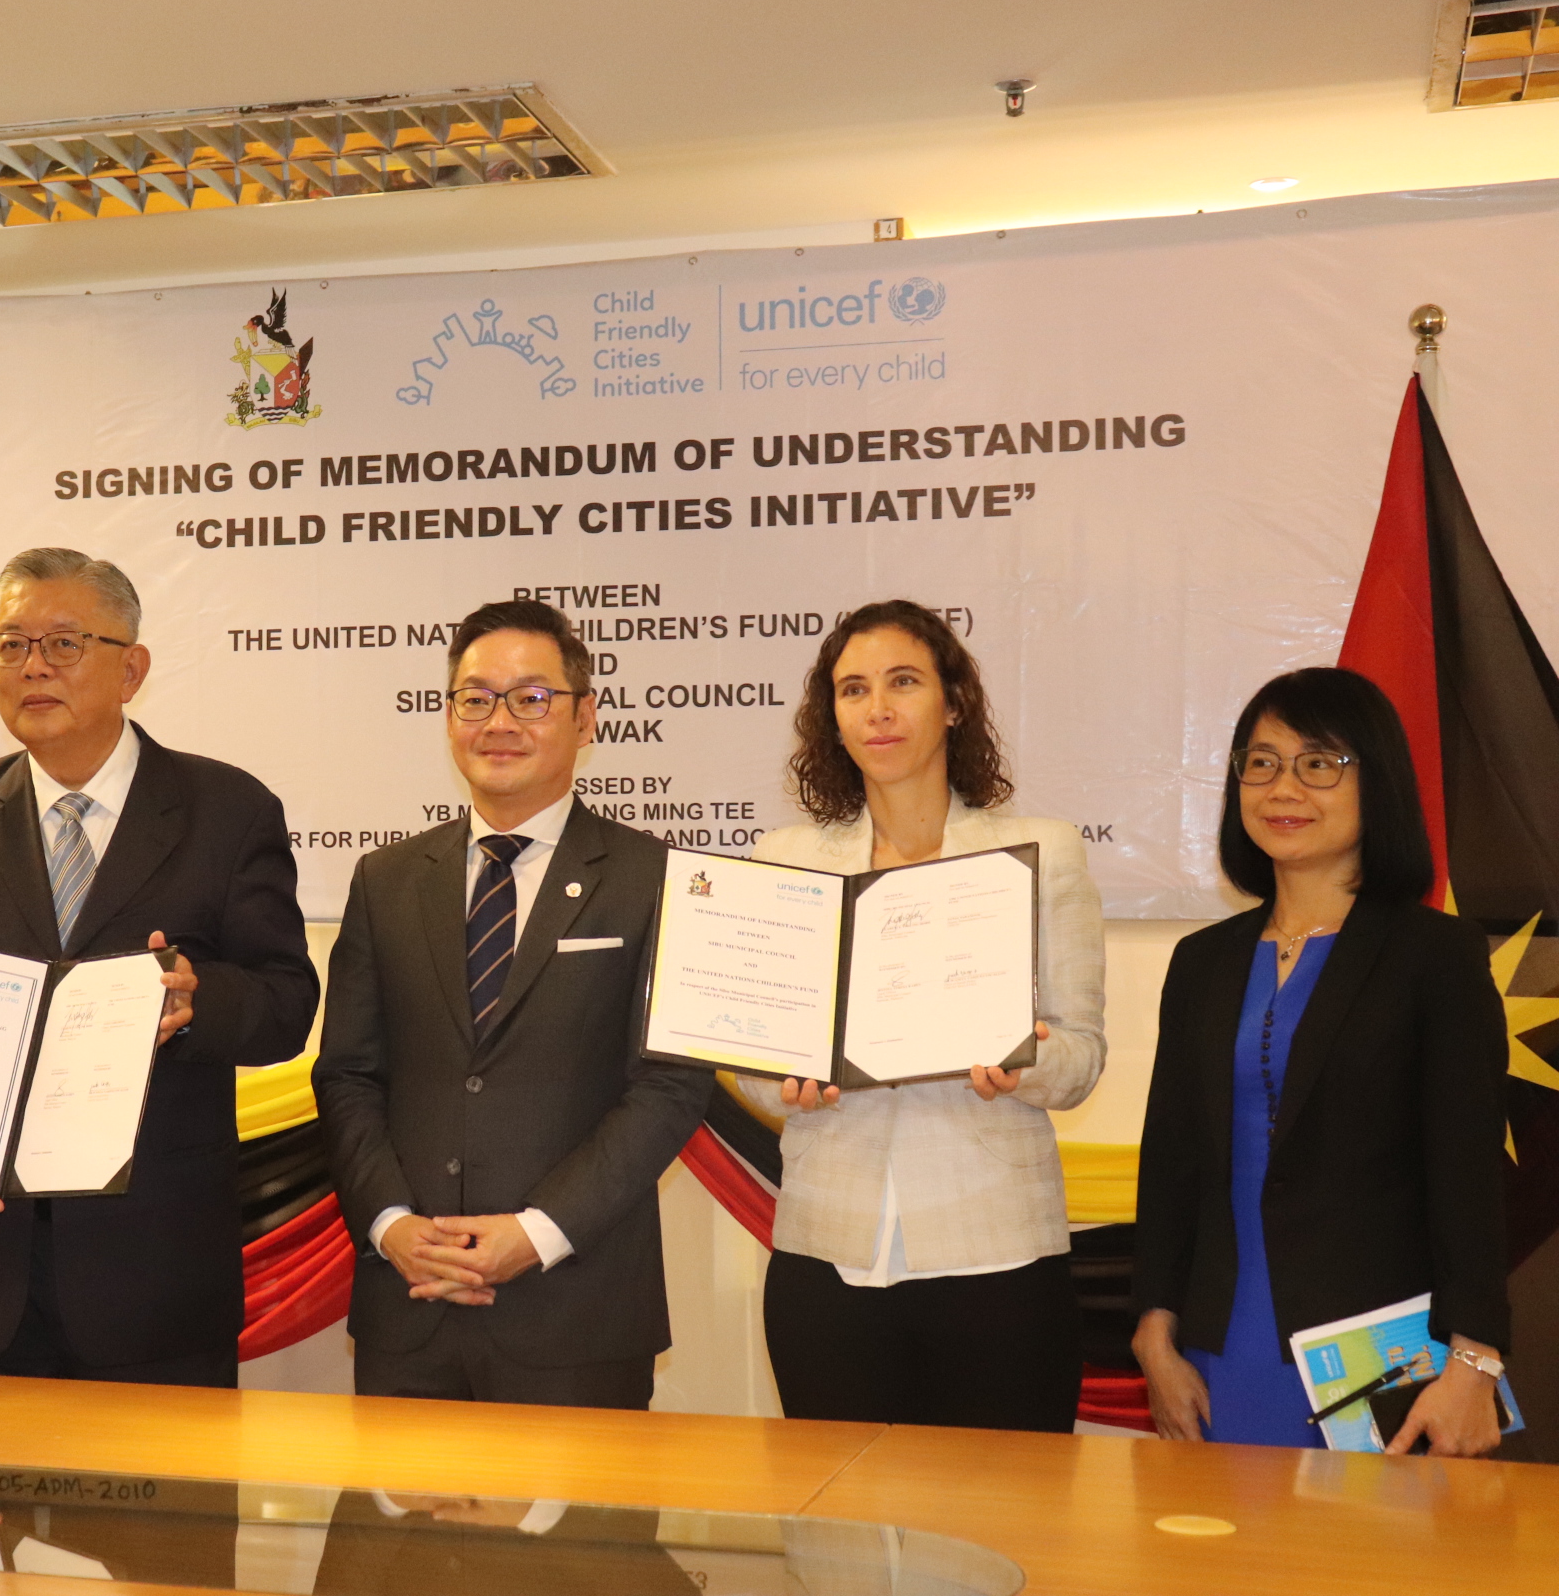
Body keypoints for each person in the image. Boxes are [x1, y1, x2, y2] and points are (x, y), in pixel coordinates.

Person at [0, 548, 316, 1386]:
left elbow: (285, 1004)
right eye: (9, 645)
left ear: (133, 668)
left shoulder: (226, 810)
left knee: (165, 1520)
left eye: (63, 643)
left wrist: (201, 1001)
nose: (32, 667)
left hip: (157, 1273)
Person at [312, 599, 713, 1408]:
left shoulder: (656, 879)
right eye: (475, 697)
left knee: (584, 1539)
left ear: (585, 717)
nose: (500, 721)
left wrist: (535, 1234)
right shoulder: (385, 882)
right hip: (409, 1310)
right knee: (396, 1536)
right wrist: (392, 1227)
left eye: (532, 698)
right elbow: (348, 1076)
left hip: (578, 1313)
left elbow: (670, 1086)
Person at [741, 599, 1105, 1432]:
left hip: (998, 1257)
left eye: (902, 682)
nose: (878, 709)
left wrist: (1028, 1061)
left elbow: (1082, 1059)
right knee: (840, 1542)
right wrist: (783, 1083)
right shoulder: (785, 861)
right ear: (830, 718)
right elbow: (754, 1067)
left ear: (953, 703)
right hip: (826, 1259)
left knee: (1005, 1535)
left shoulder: (1043, 852)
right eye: (852, 689)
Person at [1132, 667, 1509, 1455]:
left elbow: (1469, 1175)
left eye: (1321, 762)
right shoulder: (1202, 961)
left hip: (1388, 1360)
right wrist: (1153, 1334)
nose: (1284, 787)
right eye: (1261, 762)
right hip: (1217, 1352)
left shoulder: (1434, 955)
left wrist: (1473, 1362)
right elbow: (1171, 1166)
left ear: (1380, 781)